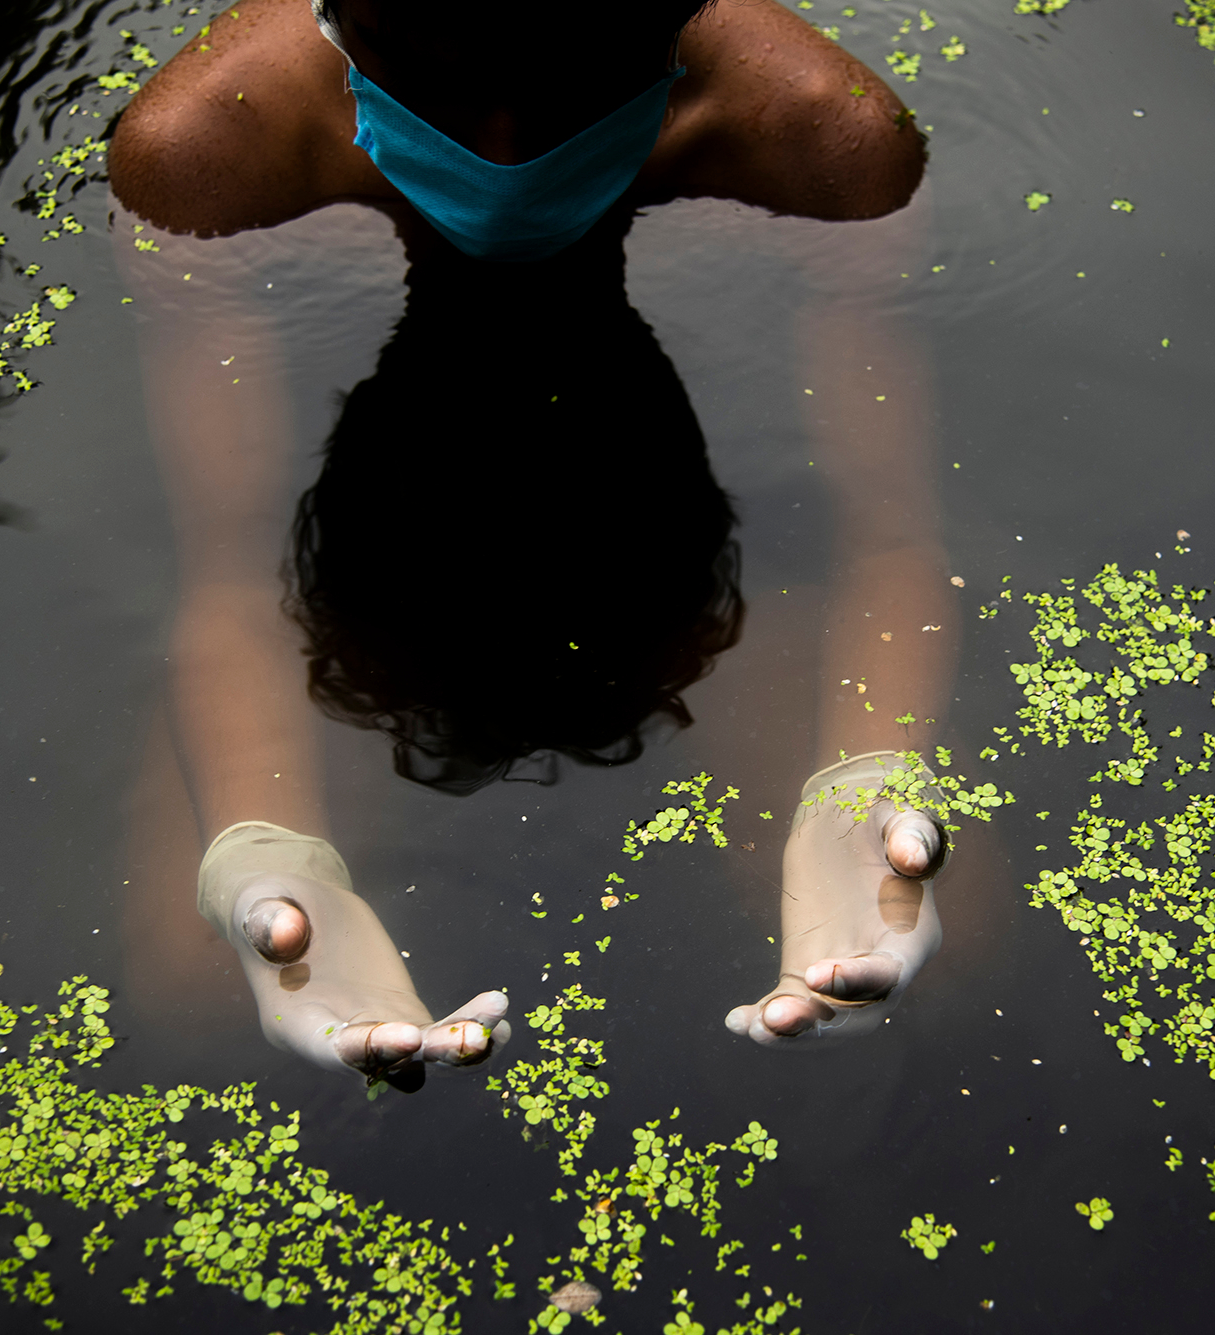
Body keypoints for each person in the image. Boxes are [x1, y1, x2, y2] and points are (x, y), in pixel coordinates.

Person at [110, 0, 963, 1089]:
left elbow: (887, 530)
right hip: (371, 601)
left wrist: (869, 773)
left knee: (947, 955)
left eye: (570, 84)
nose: (504, 143)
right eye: (433, 73)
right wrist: (262, 852)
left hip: (669, 587)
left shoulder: (813, 130)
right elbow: (229, 573)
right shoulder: (214, 145)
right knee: (186, 993)